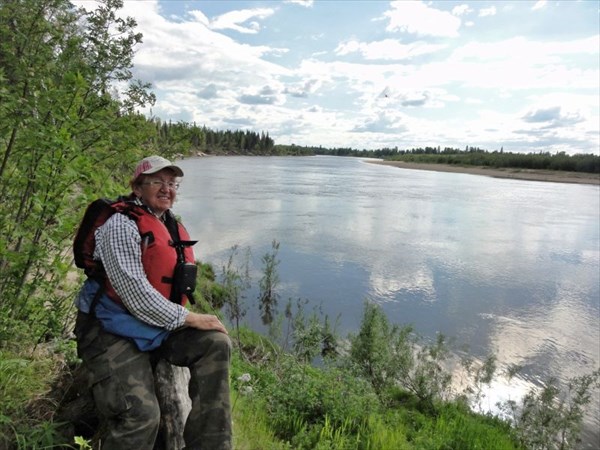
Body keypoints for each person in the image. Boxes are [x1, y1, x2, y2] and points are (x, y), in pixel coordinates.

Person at [74, 155, 232, 450]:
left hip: (154, 327)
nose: (166, 189)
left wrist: (190, 320)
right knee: (142, 416)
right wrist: (191, 317)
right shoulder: (121, 225)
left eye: (172, 183)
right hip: (110, 330)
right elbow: (134, 294)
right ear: (137, 187)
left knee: (215, 343)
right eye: (157, 181)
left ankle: (210, 444)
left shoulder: (170, 225)